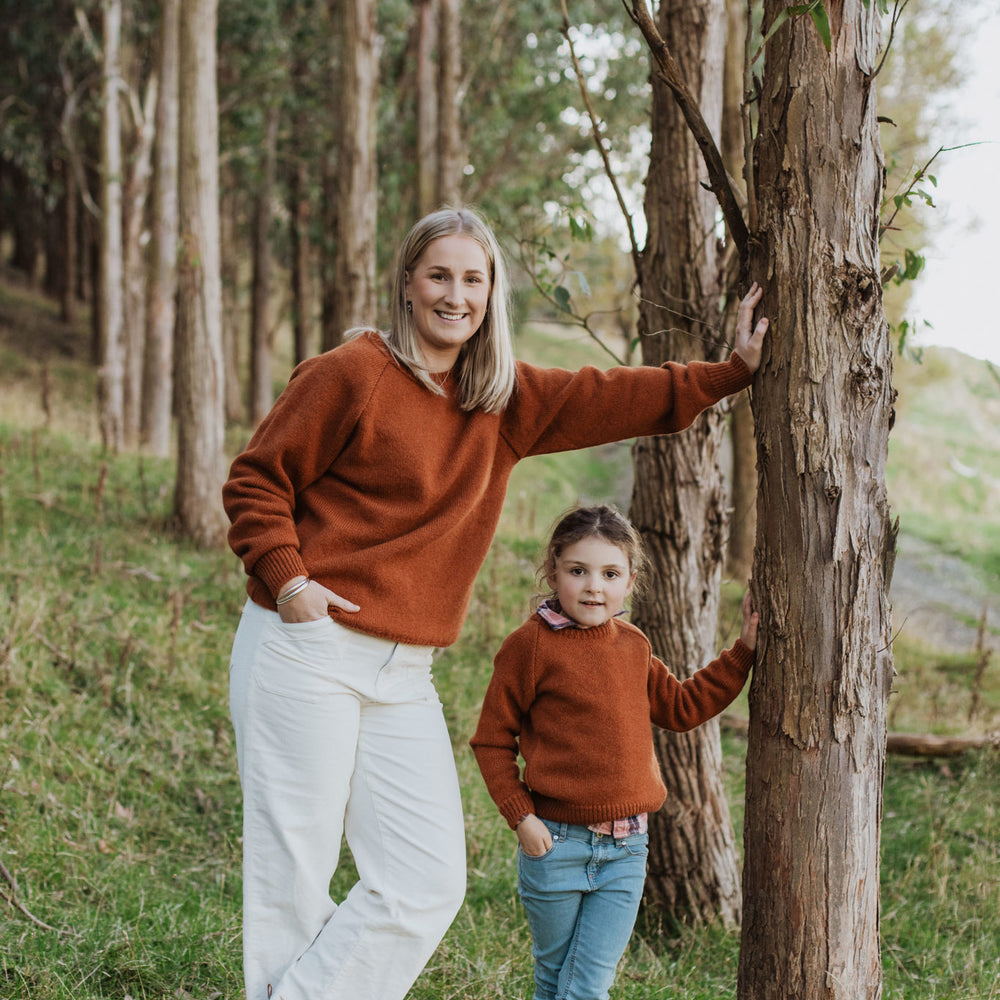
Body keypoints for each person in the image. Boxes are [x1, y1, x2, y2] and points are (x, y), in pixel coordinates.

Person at [222, 207, 769, 1000]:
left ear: (491, 293)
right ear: (408, 284)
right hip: (305, 647)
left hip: (406, 672)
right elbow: (257, 479)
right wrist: (291, 580)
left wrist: (728, 373)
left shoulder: (503, 401)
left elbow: (615, 394)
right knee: (294, 874)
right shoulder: (353, 372)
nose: (455, 295)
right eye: (439, 275)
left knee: (426, 881)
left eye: (472, 279)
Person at [470, 504, 758, 1000]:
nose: (593, 587)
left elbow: (682, 706)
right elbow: (492, 740)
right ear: (553, 570)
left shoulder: (633, 645)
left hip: (626, 850)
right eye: (577, 571)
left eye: (609, 574)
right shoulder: (530, 647)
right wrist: (522, 818)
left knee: (584, 987)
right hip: (553, 844)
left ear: (629, 581)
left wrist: (743, 653)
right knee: (553, 981)